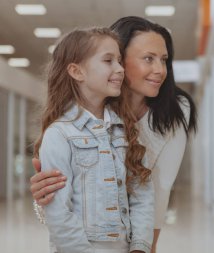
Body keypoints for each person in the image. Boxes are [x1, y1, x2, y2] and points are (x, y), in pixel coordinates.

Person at [30, 16, 197, 253]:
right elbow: (61, 205)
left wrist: (144, 247)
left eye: (164, 60)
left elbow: (156, 190)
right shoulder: (67, 129)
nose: (160, 70)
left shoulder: (172, 111)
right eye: (148, 58)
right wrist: (42, 199)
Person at [34, 27, 154, 253]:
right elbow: (58, 212)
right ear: (77, 71)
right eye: (108, 60)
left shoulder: (127, 130)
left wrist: (139, 247)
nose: (120, 69)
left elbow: (142, 195)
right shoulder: (59, 134)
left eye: (119, 61)